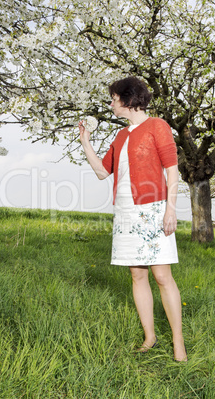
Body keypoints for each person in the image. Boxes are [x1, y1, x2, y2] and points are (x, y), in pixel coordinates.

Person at [79, 76, 187, 362]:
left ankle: (178, 342)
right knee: (137, 274)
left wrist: (171, 208)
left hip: (154, 207)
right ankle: (150, 337)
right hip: (126, 211)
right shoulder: (121, 136)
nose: (111, 103)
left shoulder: (157, 126)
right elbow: (103, 172)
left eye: (114, 98)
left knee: (162, 276)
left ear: (128, 100)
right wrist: (85, 143)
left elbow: (171, 169)